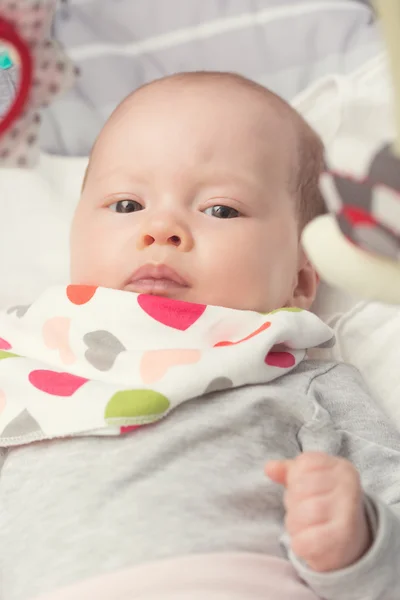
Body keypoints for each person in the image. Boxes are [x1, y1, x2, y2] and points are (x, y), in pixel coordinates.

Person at [1, 72, 400, 600]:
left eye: (220, 209)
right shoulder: (25, 349)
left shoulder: (304, 379)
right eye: (126, 205)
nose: (161, 228)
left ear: (300, 279)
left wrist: (360, 536)